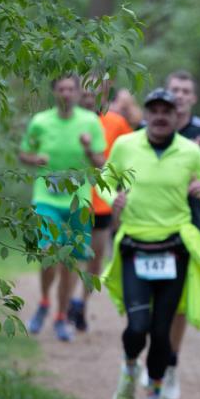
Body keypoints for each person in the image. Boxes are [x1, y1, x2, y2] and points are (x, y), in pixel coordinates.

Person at [99, 88, 200, 399]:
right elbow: (103, 183)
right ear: (145, 114)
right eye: (153, 110)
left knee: (162, 335)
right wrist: (113, 198)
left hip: (174, 249)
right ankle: (129, 370)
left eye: (167, 111)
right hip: (134, 245)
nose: (160, 116)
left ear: (177, 116)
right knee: (137, 327)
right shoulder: (127, 145)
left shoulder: (190, 152)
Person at [152, 70, 200, 399]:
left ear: (193, 98)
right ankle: (153, 353)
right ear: (165, 94)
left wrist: (195, 160)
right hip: (149, 222)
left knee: (178, 301)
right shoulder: (147, 128)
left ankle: (170, 363)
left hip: (189, 223)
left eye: (185, 91)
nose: (179, 96)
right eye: (174, 90)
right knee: (151, 297)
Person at [19, 74, 106, 342]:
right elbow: (24, 154)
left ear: (78, 94)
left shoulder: (90, 122)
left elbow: (100, 162)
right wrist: (36, 159)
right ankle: (44, 301)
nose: (66, 94)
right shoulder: (40, 121)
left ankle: (60, 315)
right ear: (55, 93)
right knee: (48, 252)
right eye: (61, 89)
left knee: (69, 259)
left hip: (78, 200)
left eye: (71, 89)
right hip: (46, 198)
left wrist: (89, 149)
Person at [70, 85, 133, 331]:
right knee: (70, 257)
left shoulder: (116, 123)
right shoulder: (66, 122)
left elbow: (131, 156)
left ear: (106, 95)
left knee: (94, 259)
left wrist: (125, 191)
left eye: (98, 91)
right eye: (87, 91)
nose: (92, 97)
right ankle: (64, 304)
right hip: (71, 200)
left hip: (102, 201)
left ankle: (80, 303)